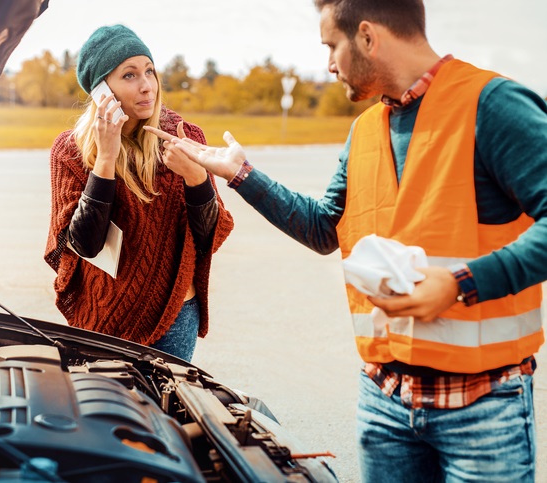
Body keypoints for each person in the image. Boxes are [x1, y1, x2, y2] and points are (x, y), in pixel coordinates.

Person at [145, 0, 547, 481]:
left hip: (481, 408)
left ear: (368, 36)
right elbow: (322, 229)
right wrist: (239, 173)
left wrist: (461, 283)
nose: (329, 64)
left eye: (331, 46)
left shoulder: (493, 105)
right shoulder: (365, 132)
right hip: (384, 401)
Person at [44, 24, 234, 363]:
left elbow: (209, 238)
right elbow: (84, 245)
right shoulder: (71, 150)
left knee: (164, 412)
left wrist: (195, 177)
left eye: (149, 71)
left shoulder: (182, 135)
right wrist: (105, 158)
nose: (146, 86)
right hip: (103, 316)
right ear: (102, 90)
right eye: (129, 75)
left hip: (173, 316)